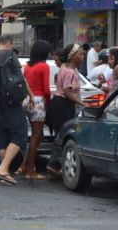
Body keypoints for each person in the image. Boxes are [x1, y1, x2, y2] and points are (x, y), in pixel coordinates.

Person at [0, 35, 33, 185]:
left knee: (1, 138)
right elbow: (19, 78)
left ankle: (4, 172)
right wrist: (30, 95)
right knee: (19, 135)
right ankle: (3, 168)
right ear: (9, 43)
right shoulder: (10, 55)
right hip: (11, 103)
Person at [45, 44, 87, 178]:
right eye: (80, 54)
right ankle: (54, 164)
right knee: (62, 135)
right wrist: (82, 103)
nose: (82, 56)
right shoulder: (69, 71)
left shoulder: (65, 68)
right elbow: (67, 92)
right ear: (72, 56)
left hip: (60, 104)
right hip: (63, 104)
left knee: (60, 134)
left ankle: (55, 164)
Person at [16, 40, 51, 180]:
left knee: (38, 135)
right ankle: (30, 171)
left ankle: (24, 166)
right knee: (36, 136)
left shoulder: (27, 67)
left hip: (27, 100)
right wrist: (47, 103)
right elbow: (46, 90)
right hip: (38, 101)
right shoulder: (44, 66)